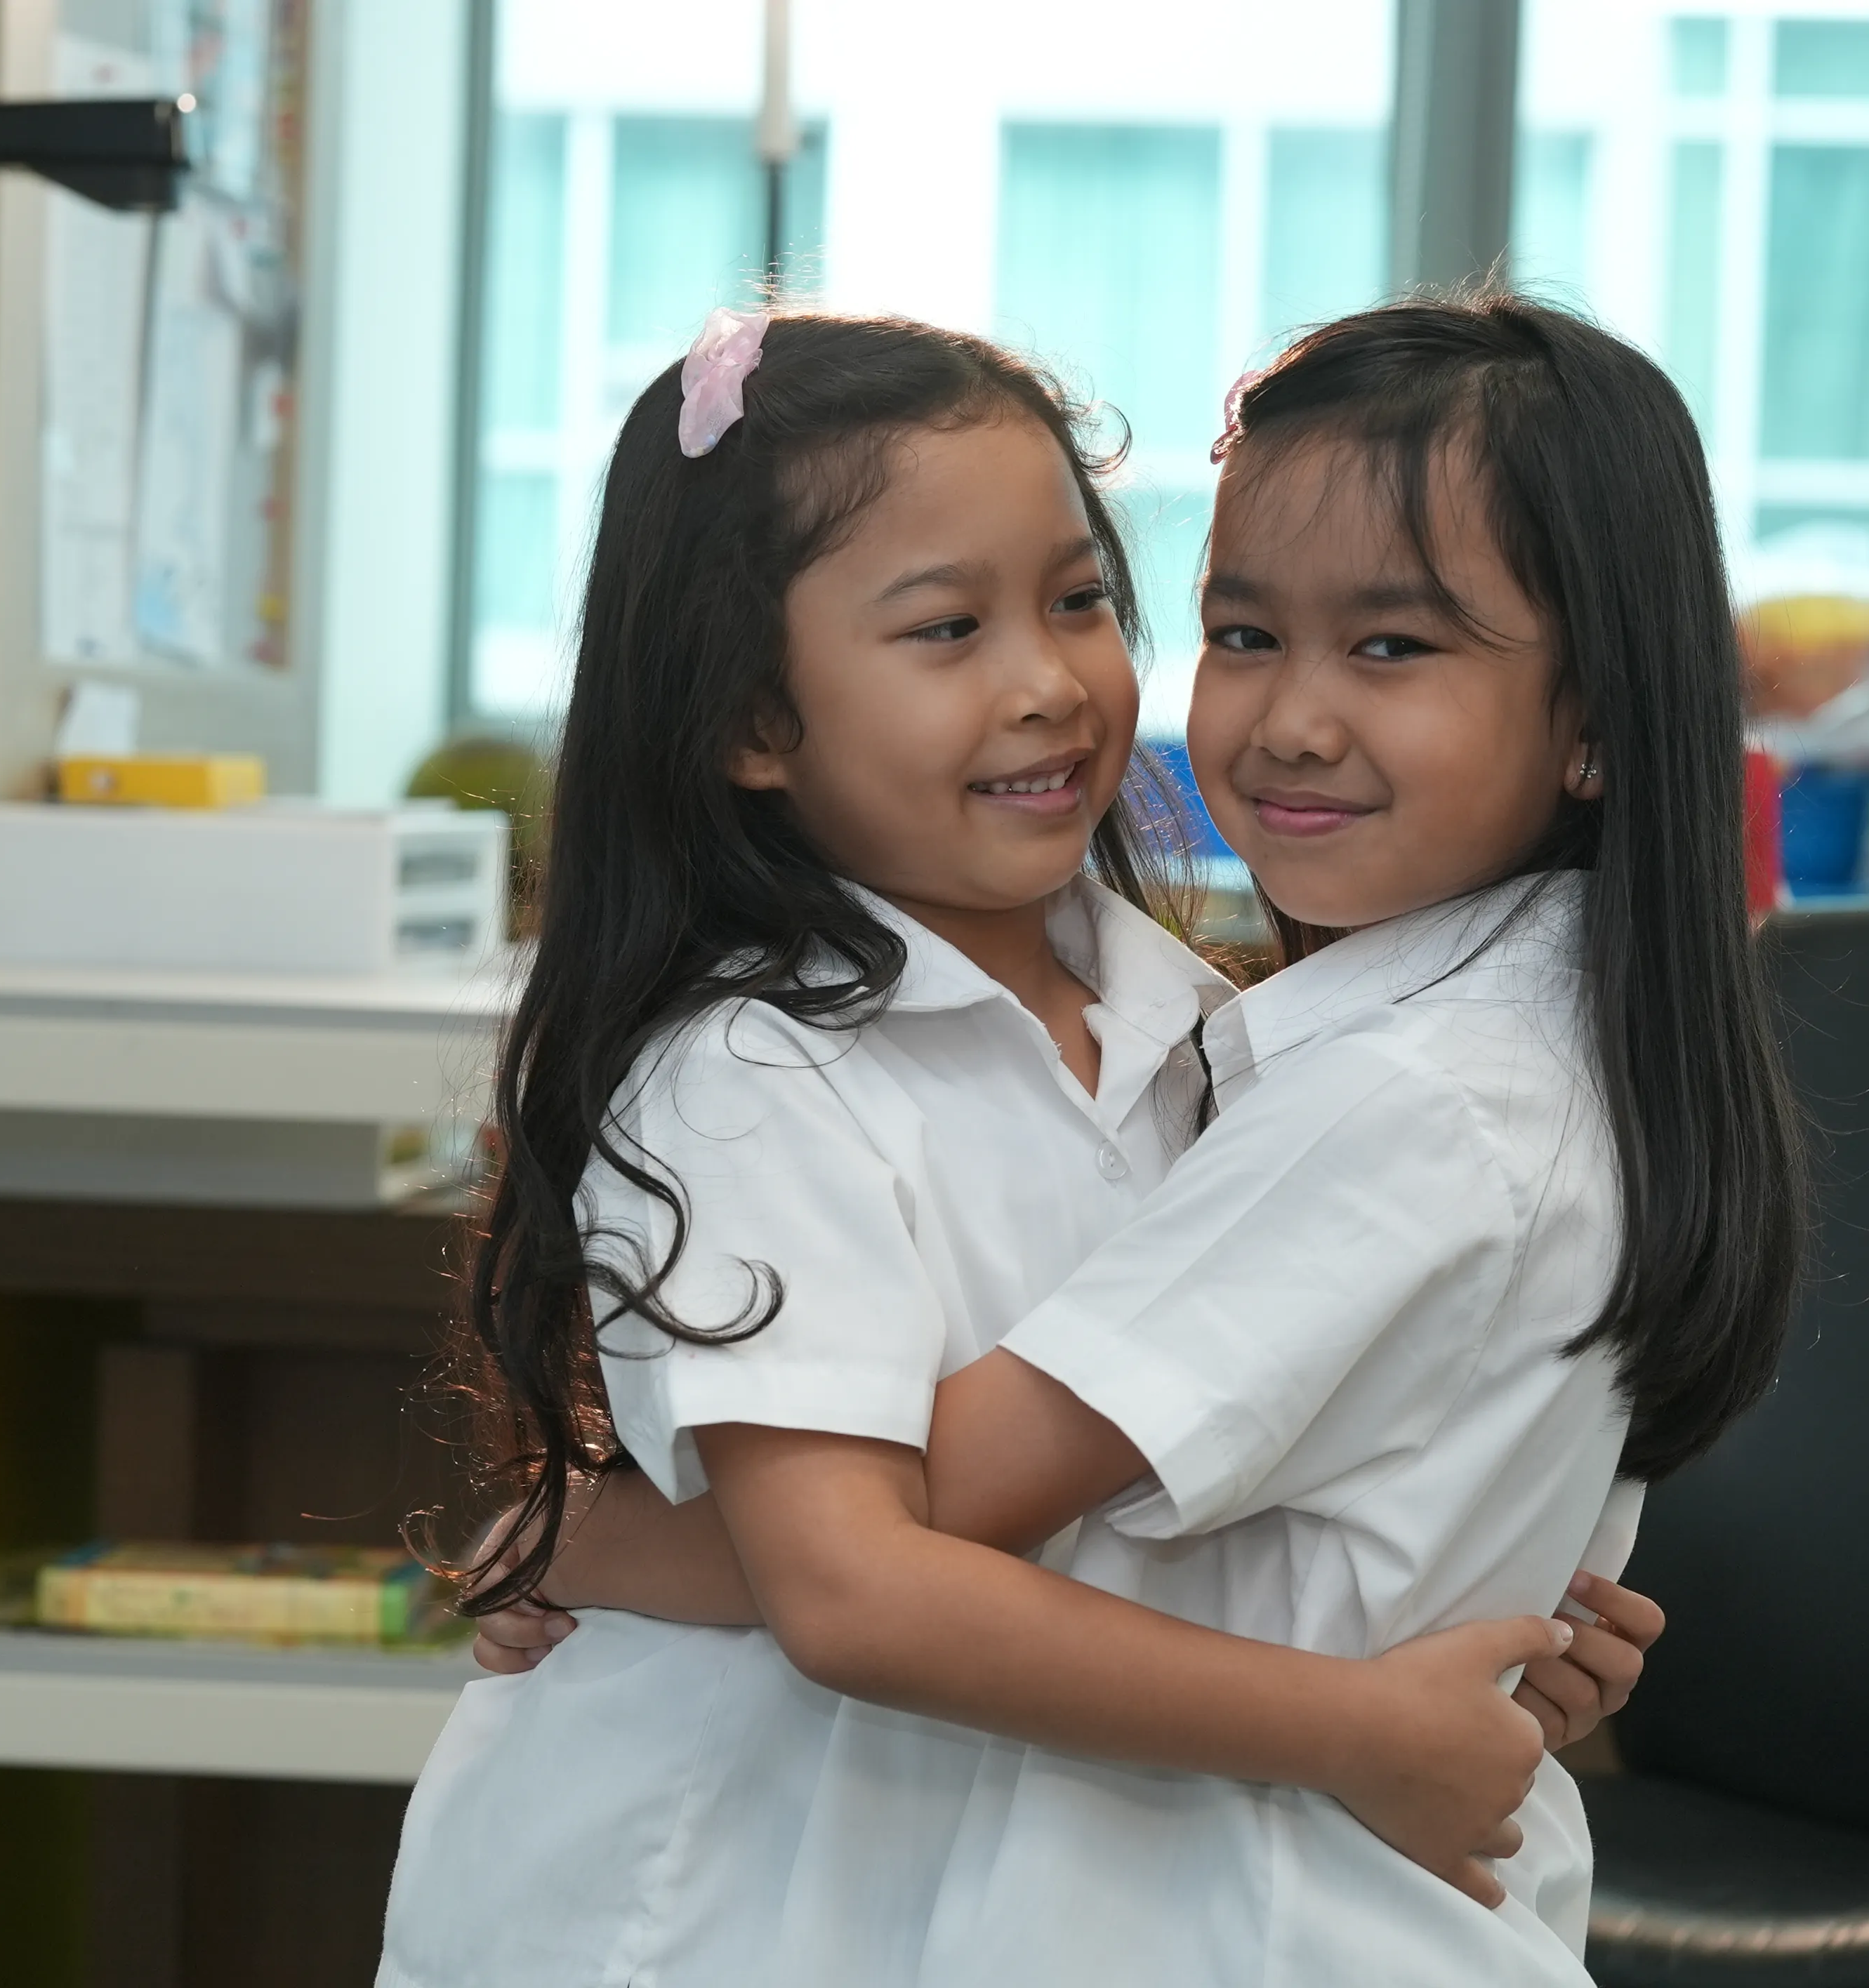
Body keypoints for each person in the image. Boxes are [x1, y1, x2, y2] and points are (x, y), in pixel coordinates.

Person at [376, 305, 1678, 1988]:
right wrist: (1358, 1708)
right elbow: (854, 1575)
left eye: (1078, 602)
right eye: (946, 628)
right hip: (687, 1901)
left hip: (954, 1872)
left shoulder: (1209, 1030)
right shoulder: (745, 1070)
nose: (1049, 683)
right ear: (752, 718)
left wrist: (1447, 1597)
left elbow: (1118, 1496)